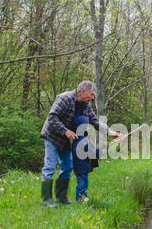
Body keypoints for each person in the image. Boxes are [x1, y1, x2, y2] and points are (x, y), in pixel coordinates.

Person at [40, 80, 122, 208]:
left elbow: (94, 121)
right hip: (52, 136)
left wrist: (110, 131)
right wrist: (65, 131)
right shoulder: (65, 98)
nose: (93, 97)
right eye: (91, 94)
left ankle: (62, 197)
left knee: (67, 167)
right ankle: (46, 200)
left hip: (68, 139)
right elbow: (52, 118)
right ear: (82, 91)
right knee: (50, 167)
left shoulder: (86, 105)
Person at [72, 115, 103, 202]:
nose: (88, 128)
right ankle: (81, 201)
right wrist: (100, 152)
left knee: (82, 184)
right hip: (81, 168)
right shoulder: (82, 140)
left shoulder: (78, 138)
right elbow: (91, 153)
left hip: (80, 167)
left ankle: (82, 200)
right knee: (82, 185)